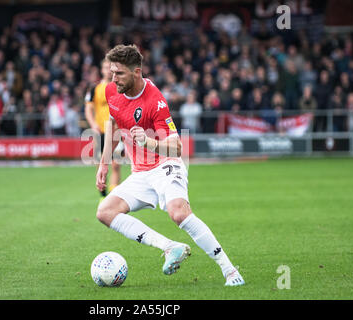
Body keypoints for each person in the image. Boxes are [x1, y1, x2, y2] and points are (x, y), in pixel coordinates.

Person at [95, 44, 244, 286]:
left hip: (166, 165)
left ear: (136, 72)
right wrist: (103, 163)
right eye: (112, 72)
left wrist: (149, 142)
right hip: (140, 173)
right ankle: (169, 247)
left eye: (119, 73)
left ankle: (230, 271)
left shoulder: (155, 101)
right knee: (105, 211)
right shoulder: (112, 91)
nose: (113, 78)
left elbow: (177, 148)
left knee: (179, 213)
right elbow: (113, 122)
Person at [85, 59, 121, 200]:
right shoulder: (95, 89)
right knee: (101, 163)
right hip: (101, 130)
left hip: (116, 129)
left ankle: (113, 195)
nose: (107, 70)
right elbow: (88, 108)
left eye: (110, 68)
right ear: (102, 70)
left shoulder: (119, 86)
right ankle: (102, 194)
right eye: (105, 67)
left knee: (116, 164)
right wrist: (93, 124)